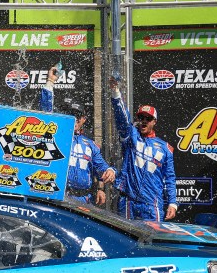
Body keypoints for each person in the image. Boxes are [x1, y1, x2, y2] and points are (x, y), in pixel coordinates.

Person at [41, 67, 116, 205]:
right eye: (70, 114)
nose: (74, 118)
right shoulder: (56, 135)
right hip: (58, 197)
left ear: (83, 119)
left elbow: (101, 167)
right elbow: (46, 113)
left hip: (84, 199)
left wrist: (110, 171)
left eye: (77, 115)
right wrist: (50, 82)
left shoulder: (90, 144)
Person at [108, 78, 177, 221]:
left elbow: (170, 177)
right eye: (141, 117)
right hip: (129, 201)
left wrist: (172, 203)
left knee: (152, 240)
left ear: (154, 122)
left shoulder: (165, 148)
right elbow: (122, 119)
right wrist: (115, 93)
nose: (144, 121)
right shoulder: (131, 135)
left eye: (148, 118)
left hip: (152, 204)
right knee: (125, 239)